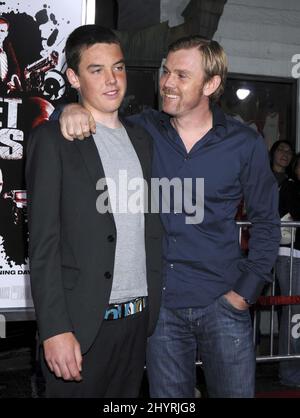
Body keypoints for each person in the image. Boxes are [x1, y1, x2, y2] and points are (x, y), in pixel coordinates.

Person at [57, 35, 280, 398]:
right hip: (161, 310)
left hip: (223, 302)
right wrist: (68, 109)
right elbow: (92, 112)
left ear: (211, 84)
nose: (166, 83)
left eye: (181, 75)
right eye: (166, 72)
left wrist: (244, 293)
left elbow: (267, 223)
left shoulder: (244, 143)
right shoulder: (141, 129)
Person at [26, 25, 163, 398]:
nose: (112, 80)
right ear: (73, 77)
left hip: (136, 322)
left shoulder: (143, 140)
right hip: (80, 327)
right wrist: (54, 329)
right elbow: (43, 244)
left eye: (118, 68)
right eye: (96, 69)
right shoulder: (53, 139)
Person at [276, 153, 300, 387]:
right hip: (291, 257)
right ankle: (290, 372)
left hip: (295, 256)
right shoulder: (290, 187)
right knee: (294, 316)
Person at [0, 16, 22, 95]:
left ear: (6, 34)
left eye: (2, 31)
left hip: (7, 95)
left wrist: (14, 78)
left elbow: (15, 66)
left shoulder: (8, 46)